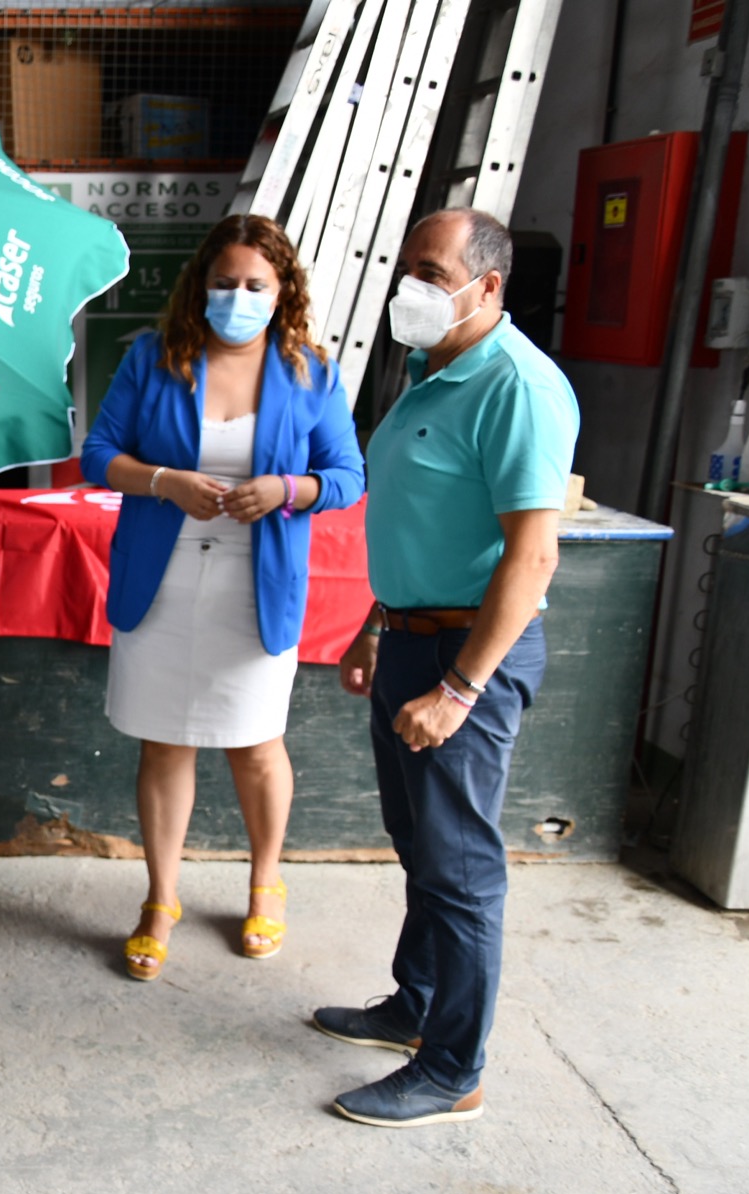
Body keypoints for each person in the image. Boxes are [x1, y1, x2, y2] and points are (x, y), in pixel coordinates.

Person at [318, 208, 577, 1128]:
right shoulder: (431, 373)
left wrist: (460, 687)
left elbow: (532, 556)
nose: (412, 288)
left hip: (467, 655)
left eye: (432, 271)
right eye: (409, 269)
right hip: (409, 637)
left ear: (488, 285)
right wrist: (374, 626)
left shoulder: (517, 386)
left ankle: (452, 1069)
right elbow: (419, 521)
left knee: (460, 866)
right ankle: (417, 1005)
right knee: (420, 843)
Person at [81, 214, 364, 982]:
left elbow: (348, 476)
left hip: (257, 584)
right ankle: (161, 898)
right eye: (224, 282)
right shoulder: (154, 357)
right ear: (200, 285)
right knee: (164, 742)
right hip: (162, 581)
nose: (238, 297)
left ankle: (265, 883)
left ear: (282, 291)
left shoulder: (312, 373)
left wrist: (288, 490)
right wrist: (163, 481)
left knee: (256, 743)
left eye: (255, 285)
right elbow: (99, 454)